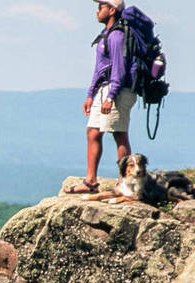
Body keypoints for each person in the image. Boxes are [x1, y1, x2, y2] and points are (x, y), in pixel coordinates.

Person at [65, 0, 138, 194]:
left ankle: (125, 182)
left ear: (112, 10)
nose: (97, 10)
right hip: (105, 89)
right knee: (93, 132)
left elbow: (119, 70)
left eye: (101, 7)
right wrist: (90, 94)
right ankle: (90, 181)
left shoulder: (117, 36)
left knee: (119, 133)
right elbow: (99, 69)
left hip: (118, 91)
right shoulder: (106, 34)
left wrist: (111, 96)